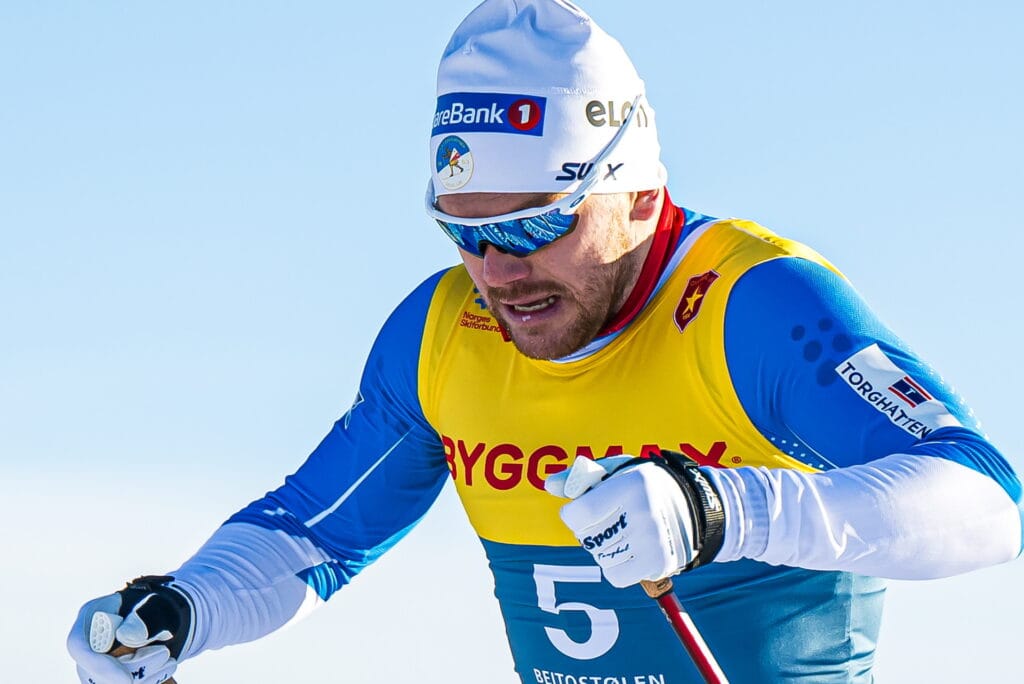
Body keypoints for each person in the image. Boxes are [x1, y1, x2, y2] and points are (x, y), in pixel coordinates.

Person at [68, 1, 1023, 682]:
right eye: (464, 232)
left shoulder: (751, 306)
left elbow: (987, 503)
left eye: (535, 225)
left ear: (639, 195)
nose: (499, 271)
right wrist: (181, 608)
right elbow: (314, 530)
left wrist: (723, 510)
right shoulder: (444, 332)